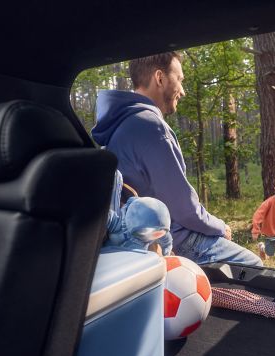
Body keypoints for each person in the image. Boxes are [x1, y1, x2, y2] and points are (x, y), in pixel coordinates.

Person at [91, 52, 262, 267]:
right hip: (173, 238)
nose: (182, 91)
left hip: (137, 237)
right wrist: (220, 227)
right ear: (160, 78)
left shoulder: (121, 124)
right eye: (179, 80)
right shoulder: (150, 126)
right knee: (254, 266)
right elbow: (184, 209)